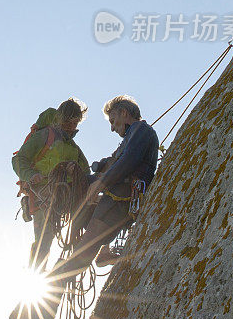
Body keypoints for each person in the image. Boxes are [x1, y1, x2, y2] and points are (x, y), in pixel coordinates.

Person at [50, 95, 158, 281]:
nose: (112, 128)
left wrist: (99, 183)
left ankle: (51, 286)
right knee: (83, 251)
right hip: (115, 200)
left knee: (83, 252)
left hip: (119, 200)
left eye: (113, 121)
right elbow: (115, 164)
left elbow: (128, 160)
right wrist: (79, 180)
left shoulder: (141, 129)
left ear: (124, 113)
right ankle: (59, 279)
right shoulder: (131, 137)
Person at [12, 98, 90, 267]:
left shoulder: (73, 146)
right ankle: (34, 278)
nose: (71, 127)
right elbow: (19, 159)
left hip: (63, 197)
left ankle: (66, 267)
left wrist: (74, 170)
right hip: (42, 196)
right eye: (68, 122)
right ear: (60, 118)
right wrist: (31, 175)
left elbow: (85, 172)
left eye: (75, 123)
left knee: (90, 216)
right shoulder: (45, 135)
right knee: (44, 240)